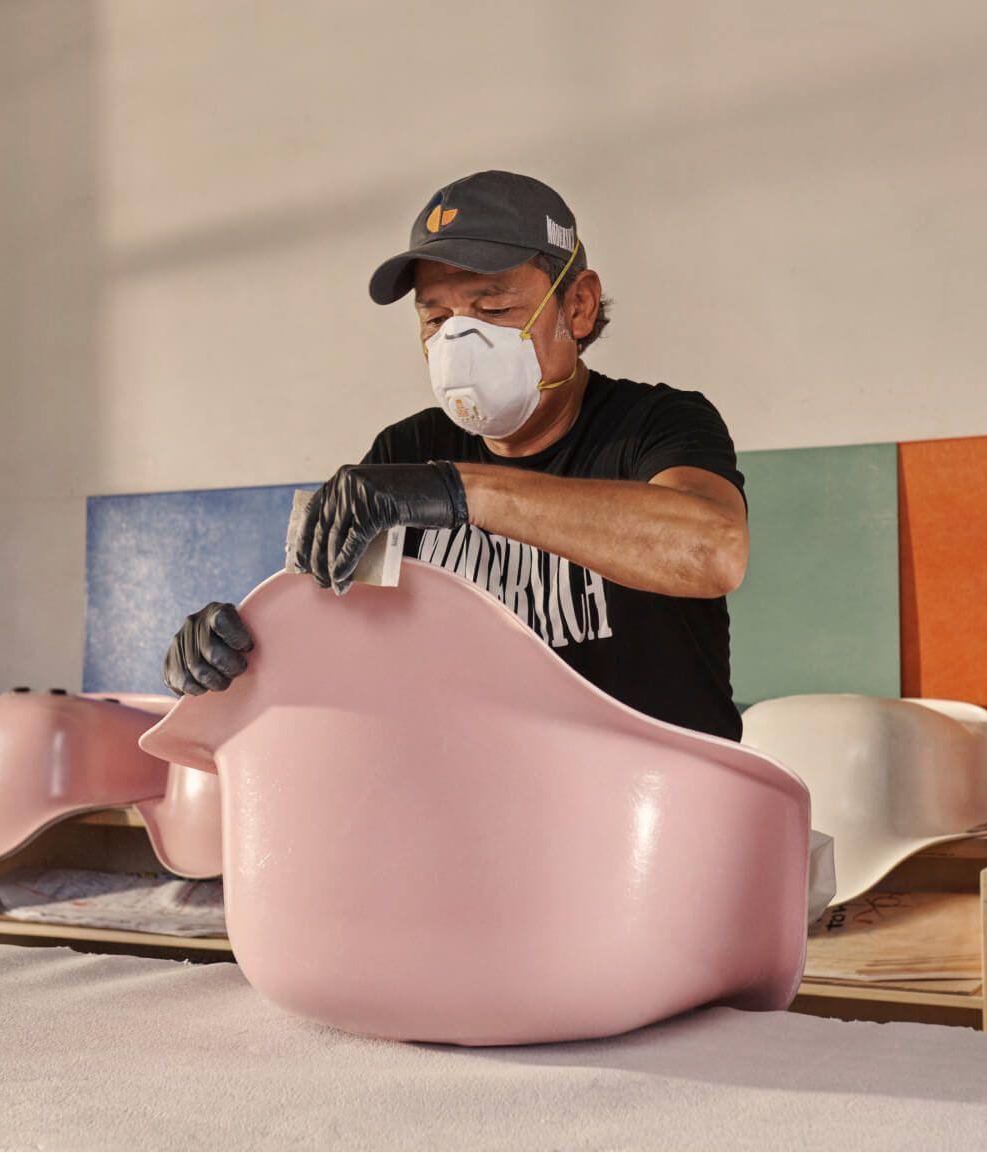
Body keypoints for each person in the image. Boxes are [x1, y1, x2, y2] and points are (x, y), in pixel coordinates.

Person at [164, 170, 750, 741]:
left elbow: (712, 551)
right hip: (478, 801)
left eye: (493, 311)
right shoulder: (405, 452)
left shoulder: (655, 425)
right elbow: (335, 642)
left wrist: (460, 491)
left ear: (578, 307)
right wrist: (237, 651)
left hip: (658, 808)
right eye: (436, 318)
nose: (459, 344)